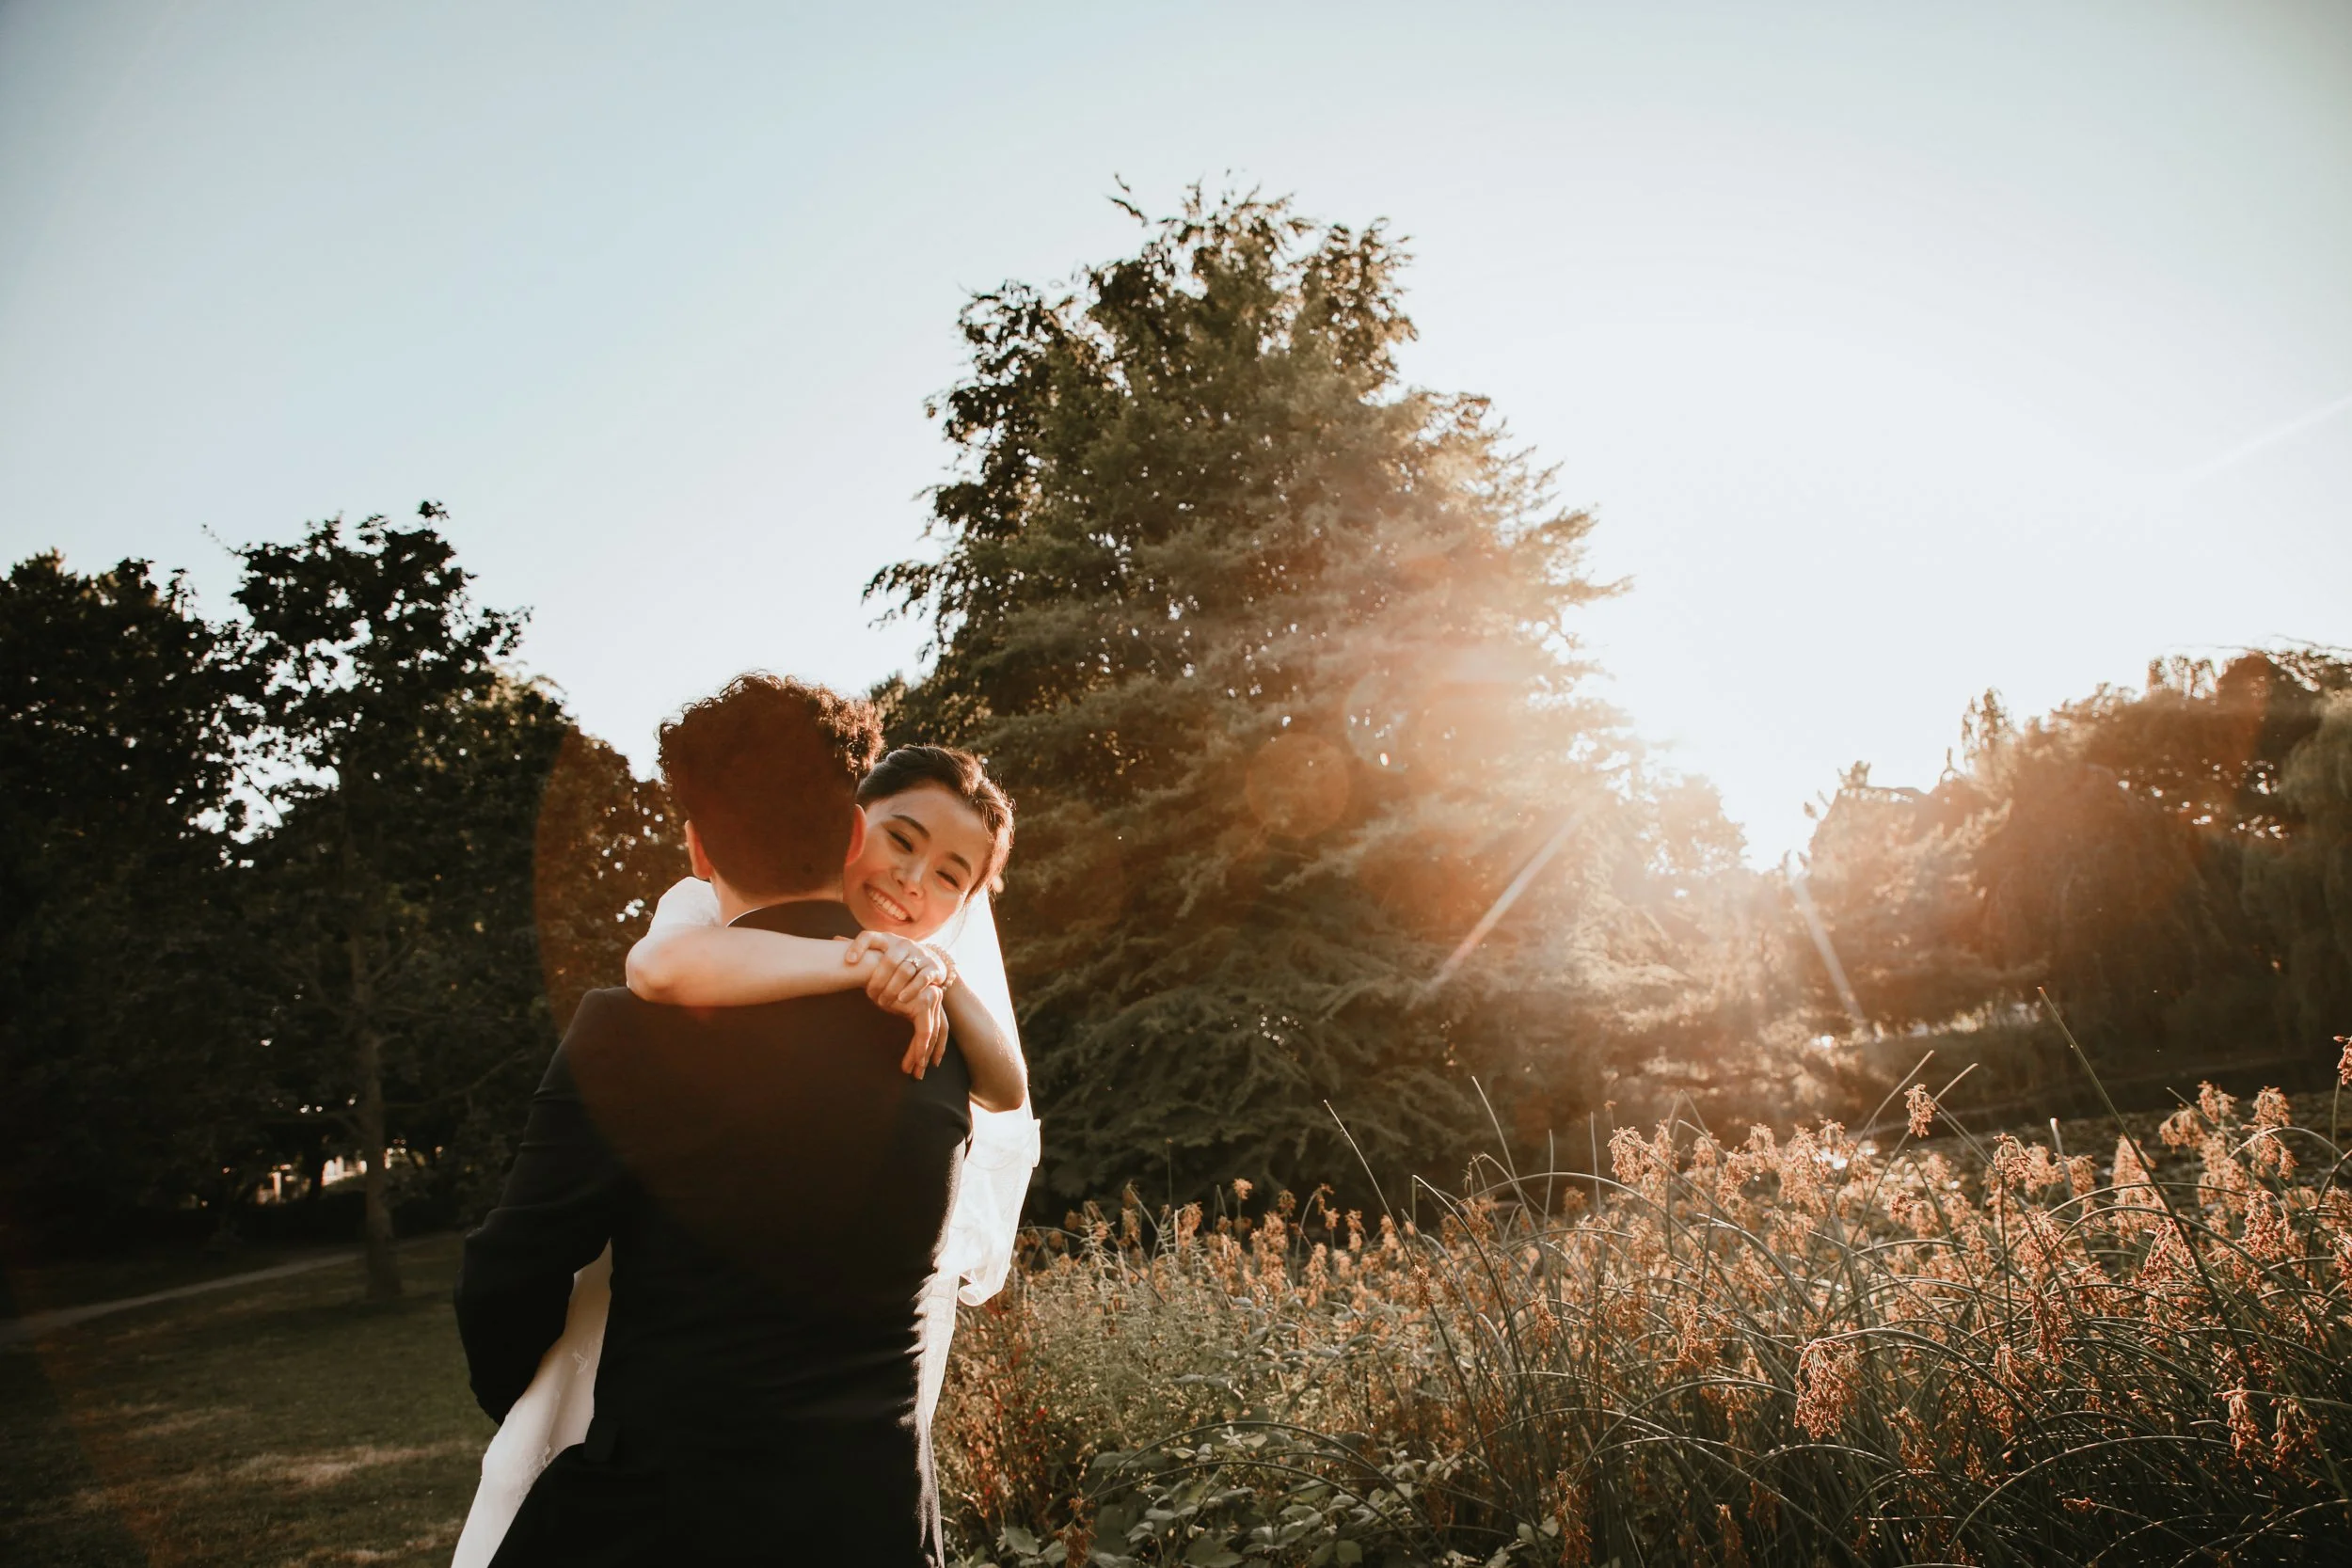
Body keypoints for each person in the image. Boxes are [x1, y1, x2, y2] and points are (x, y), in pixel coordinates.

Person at [453, 675, 1001, 1566]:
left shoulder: (630, 1029)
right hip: (878, 1523)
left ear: (696, 847)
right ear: (857, 832)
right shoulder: (943, 1040)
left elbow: (505, 1279)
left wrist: (546, 1401)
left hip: (664, 1517)